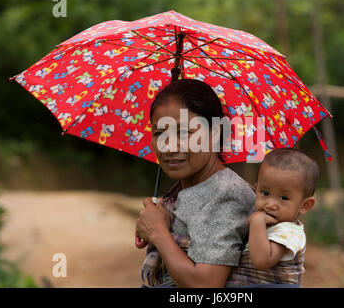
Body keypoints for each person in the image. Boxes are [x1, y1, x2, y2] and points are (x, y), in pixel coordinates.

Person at [135, 79, 255, 288]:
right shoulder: (187, 188)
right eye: (159, 133)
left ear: (215, 132)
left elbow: (205, 285)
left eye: (184, 132)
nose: (168, 146)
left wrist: (158, 232)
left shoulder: (226, 194)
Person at [227, 148, 318, 287]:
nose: (270, 204)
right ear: (255, 190)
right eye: (265, 193)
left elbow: (262, 261)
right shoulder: (269, 223)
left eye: (283, 198)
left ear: (304, 205)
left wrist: (257, 222)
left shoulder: (289, 232)